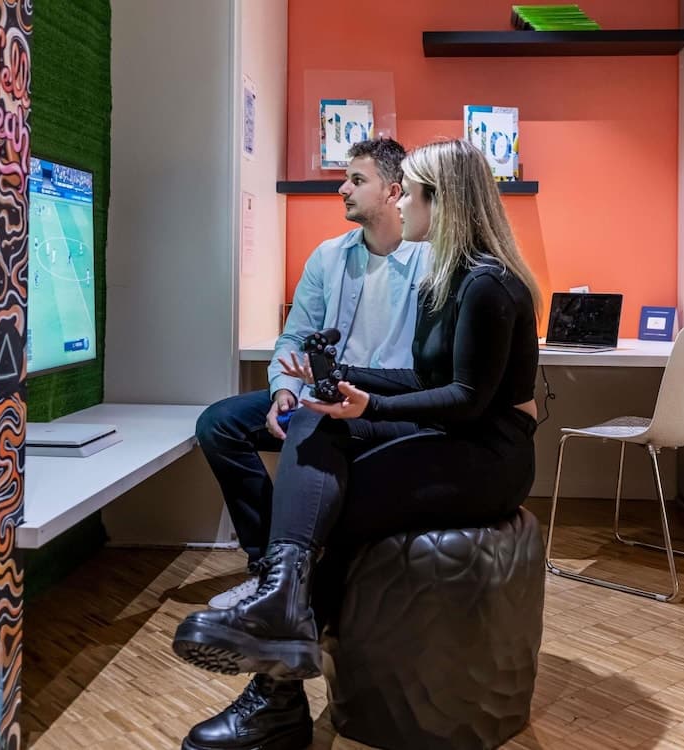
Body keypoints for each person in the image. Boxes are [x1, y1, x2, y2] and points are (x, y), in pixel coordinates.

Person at [173, 139, 541, 750]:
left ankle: (276, 683)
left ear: (436, 200)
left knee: (332, 508)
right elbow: (422, 379)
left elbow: (467, 400)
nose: (404, 203)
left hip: (485, 454)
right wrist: (338, 382)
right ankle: (280, 593)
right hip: (450, 434)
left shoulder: (486, 284)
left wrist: (369, 405)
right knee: (312, 422)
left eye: (412, 193)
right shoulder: (444, 275)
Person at [196, 137, 430, 615]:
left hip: (386, 406)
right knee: (219, 425)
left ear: (393, 191)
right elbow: (295, 337)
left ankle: (302, 570)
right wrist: (283, 391)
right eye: (346, 178)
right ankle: (270, 565)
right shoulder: (328, 256)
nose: (343, 189)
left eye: (357, 180)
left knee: (316, 424)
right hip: (320, 395)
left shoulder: (430, 261)